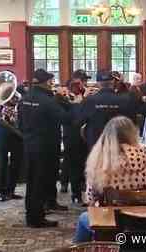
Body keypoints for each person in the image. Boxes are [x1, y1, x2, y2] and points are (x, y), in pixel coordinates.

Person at [73, 116, 146, 242]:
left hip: (112, 223)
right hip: (143, 220)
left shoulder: (99, 159)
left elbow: (90, 198)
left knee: (84, 217)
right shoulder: (143, 155)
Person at [18, 69, 71, 228]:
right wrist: (68, 103)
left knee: (32, 181)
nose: (52, 84)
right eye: (51, 81)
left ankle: (32, 214)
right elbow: (66, 119)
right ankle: (36, 218)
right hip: (46, 147)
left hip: (29, 145)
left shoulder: (25, 99)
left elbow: (20, 124)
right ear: (46, 82)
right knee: (40, 182)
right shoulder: (48, 101)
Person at [77, 70, 138, 151]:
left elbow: (79, 121)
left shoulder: (89, 101)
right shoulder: (126, 100)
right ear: (113, 82)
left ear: (98, 83)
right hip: (118, 144)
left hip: (96, 145)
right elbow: (133, 123)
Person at [0, 80, 24, 201]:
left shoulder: (18, 93)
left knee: (16, 162)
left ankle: (10, 190)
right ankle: (0, 191)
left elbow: (23, 110)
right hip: (2, 132)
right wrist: (1, 108)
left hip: (17, 133)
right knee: (2, 161)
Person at [61, 70, 89, 204]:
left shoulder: (83, 95)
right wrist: (82, 101)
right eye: (84, 81)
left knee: (81, 163)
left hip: (83, 135)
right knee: (73, 164)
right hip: (72, 134)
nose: (86, 84)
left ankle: (78, 188)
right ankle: (75, 192)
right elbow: (74, 117)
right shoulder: (66, 97)